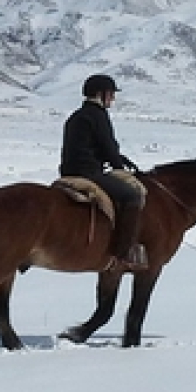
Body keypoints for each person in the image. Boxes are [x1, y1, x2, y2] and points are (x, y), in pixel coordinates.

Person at [60, 73, 148, 271]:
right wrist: (119, 166)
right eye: (111, 94)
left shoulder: (77, 116)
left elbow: (94, 146)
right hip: (88, 173)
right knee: (132, 196)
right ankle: (125, 251)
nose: (113, 99)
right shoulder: (98, 115)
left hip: (69, 172)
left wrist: (118, 158)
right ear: (101, 94)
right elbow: (107, 146)